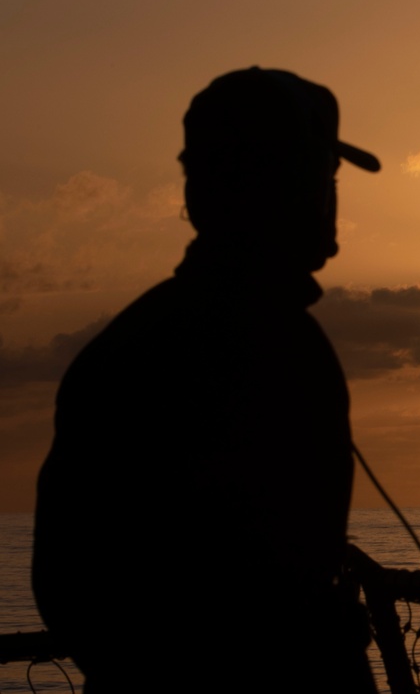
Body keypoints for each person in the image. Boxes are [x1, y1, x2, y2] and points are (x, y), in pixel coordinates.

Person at [32, 67, 380, 693]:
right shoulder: (272, 345)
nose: (333, 200)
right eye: (324, 178)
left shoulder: (128, 345)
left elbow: (68, 582)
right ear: (288, 186)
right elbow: (270, 584)